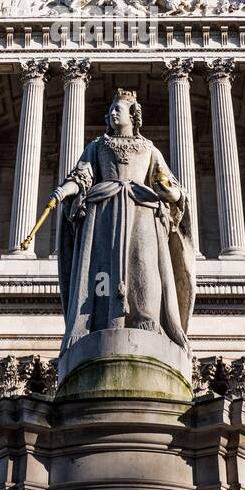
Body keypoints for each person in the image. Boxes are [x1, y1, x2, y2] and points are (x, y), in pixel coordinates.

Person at [53, 88, 194, 350]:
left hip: (142, 209)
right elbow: (81, 175)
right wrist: (65, 191)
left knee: (144, 263)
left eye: (118, 109)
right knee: (102, 265)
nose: (112, 113)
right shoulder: (97, 146)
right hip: (104, 210)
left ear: (133, 116)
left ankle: (146, 317)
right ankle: (102, 319)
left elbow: (168, 181)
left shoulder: (148, 148)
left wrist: (172, 193)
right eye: (110, 110)